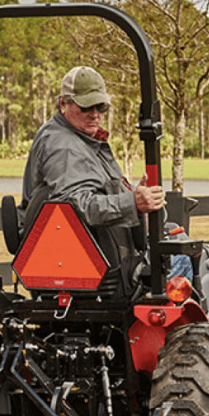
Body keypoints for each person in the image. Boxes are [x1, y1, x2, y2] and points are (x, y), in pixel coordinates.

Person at [20, 65, 192, 283]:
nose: (95, 114)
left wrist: (137, 202)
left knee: (174, 233)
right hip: (98, 262)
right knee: (189, 257)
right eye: (86, 107)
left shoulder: (82, 140)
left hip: (105, 247)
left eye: (101, 107)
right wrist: (133, 203)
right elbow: (76, 207)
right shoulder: (64, 147)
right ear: (64, 103)